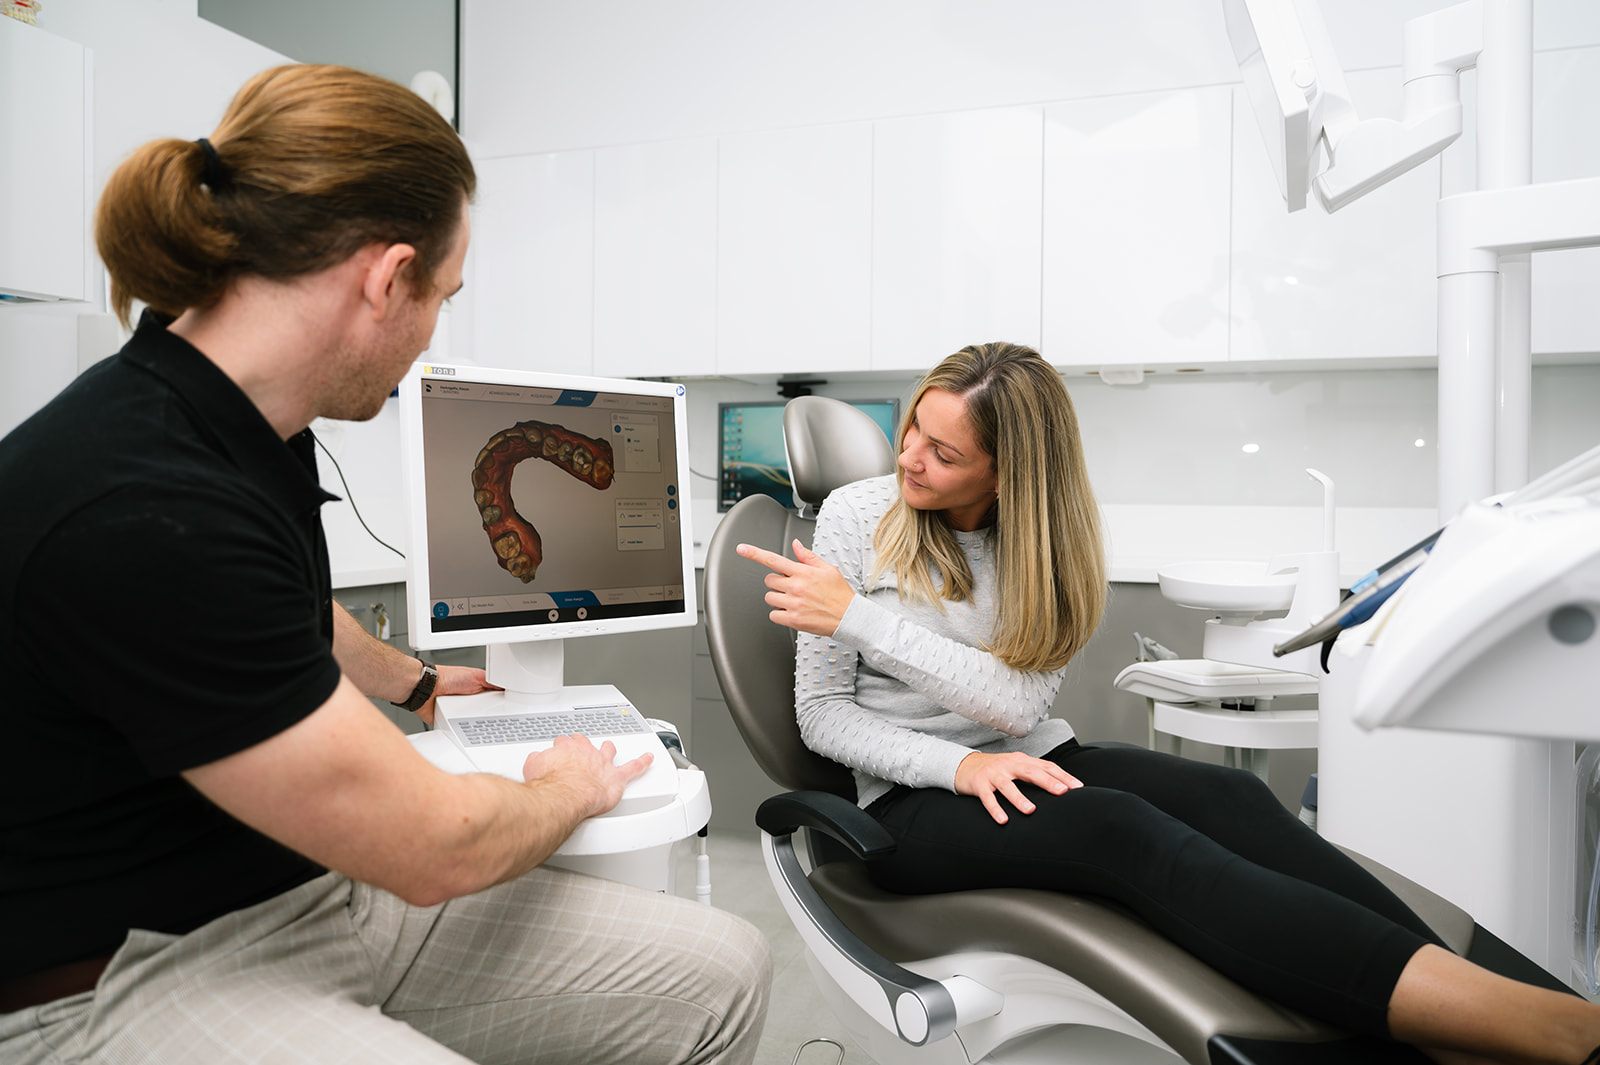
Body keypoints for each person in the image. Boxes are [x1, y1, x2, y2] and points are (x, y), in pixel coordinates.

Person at [0, 64, 769, 1065]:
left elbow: (280, 608)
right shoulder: (140, 499)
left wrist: (412, 681)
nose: (429, 334)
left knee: (721, 971)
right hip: (132, 976)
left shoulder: (245, 423)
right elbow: (436, 845)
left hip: (316, 896)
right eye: (441, 297)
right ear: (383, 278)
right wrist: (566, 786)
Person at [738, 341, 1600, 1065]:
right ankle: (1529, 1027)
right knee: (1126, 836)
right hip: (912, 800)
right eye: (913, 430)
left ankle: (1461, 1001)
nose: (909, 459)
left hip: (1032, 753)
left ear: (1007, 480)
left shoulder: (1046, 544)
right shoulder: (855, 517)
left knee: (1232, 796)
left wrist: (865, 625)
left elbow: (1017, 703)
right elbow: (825, 718)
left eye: (944, 452)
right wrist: (956, 764)